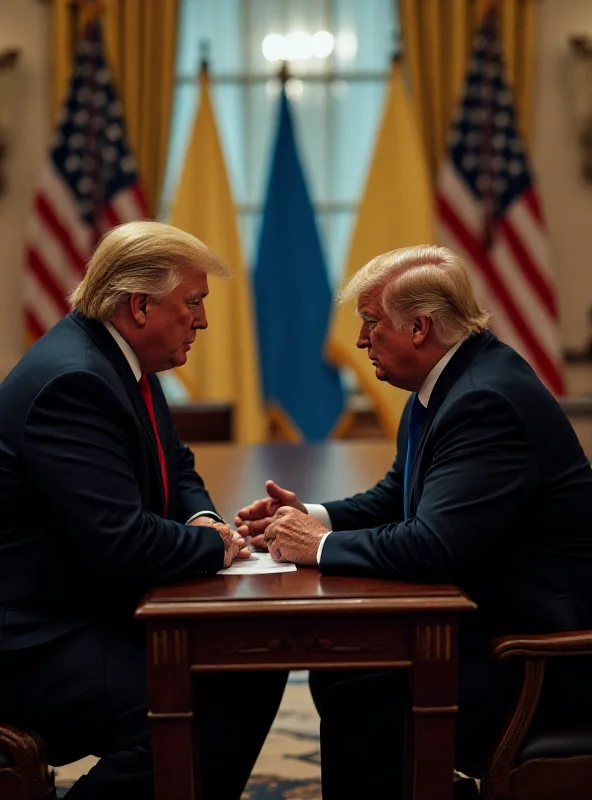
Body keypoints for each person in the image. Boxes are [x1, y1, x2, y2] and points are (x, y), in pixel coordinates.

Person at [236, 244, 592, 800]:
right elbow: (397, 498)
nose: (358, 341)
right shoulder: (447, 382)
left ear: (420, 328)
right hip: (485, 625)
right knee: (341, 669)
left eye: (370, 323)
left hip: (536, 657)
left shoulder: (484, 402)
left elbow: (433, 545)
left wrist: (321, 547)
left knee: (360, 693)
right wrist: (307, 516)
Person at [0, 221, 287, 800]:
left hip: (86, 609)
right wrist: (220, 546)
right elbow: (121, 542)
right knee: (190, 712)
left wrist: (204, 520)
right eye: (193, 303)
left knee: (255, 662)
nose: (202, 320)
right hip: (32, 639)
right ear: (138, 306)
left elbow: (175, 467)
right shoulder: (75, 381)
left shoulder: (122, 362)